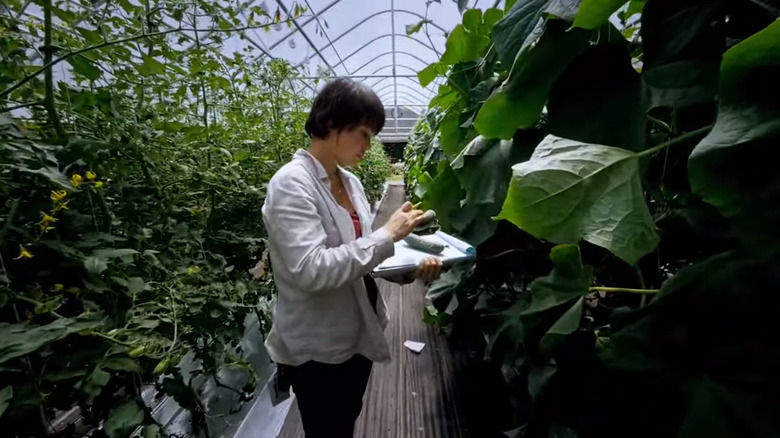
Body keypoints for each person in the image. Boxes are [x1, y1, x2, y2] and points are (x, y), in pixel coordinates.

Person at [261, 78, 443, 437]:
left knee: (346, 416)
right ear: (331, 124)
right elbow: (311, 270)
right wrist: (388, 233)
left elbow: (361, 256)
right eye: (363, 133)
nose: (368, 145)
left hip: (358, 334)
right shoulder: (291, 184)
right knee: (327, 426)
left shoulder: (351, 183)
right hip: (319, 348)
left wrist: (405, 269)